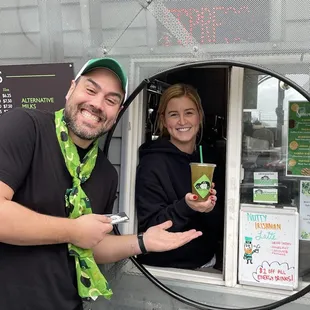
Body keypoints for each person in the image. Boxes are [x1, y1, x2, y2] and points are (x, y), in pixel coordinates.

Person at [0, 58, 203, 310]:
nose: (97, 104)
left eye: (111, 100)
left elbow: (93, 244)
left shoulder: (106, 174)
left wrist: (143, 242)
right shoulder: (25, 127)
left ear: (117, 113)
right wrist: (73, 230)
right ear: (71, 89)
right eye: (91, 89)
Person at [136, 83, 224, 269]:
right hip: (166, 269)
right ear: (164, 120)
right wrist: (187, 206)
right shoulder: (152, 163)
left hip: (206, 262)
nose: (182, 121)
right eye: (174, 114)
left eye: (189, 112)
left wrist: (209, 208)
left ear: (199, 116)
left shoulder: (209, 158)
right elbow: (152, 227)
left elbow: (221, 220)